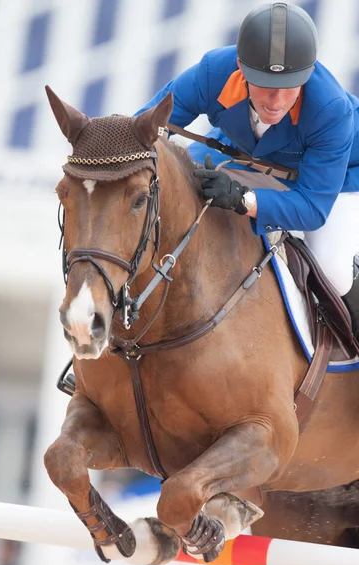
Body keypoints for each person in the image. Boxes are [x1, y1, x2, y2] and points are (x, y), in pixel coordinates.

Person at [136, 2, 359, 339]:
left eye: (289, 87)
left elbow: (312, 208)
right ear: (241, 67)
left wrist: (245, 200)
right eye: (265, 85)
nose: (276, 101)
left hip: (337, 178)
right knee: (181, 192)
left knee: (334, 270)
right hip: (247, 152)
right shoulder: (215, 70)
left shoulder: (331, 110)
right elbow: (145, 128)